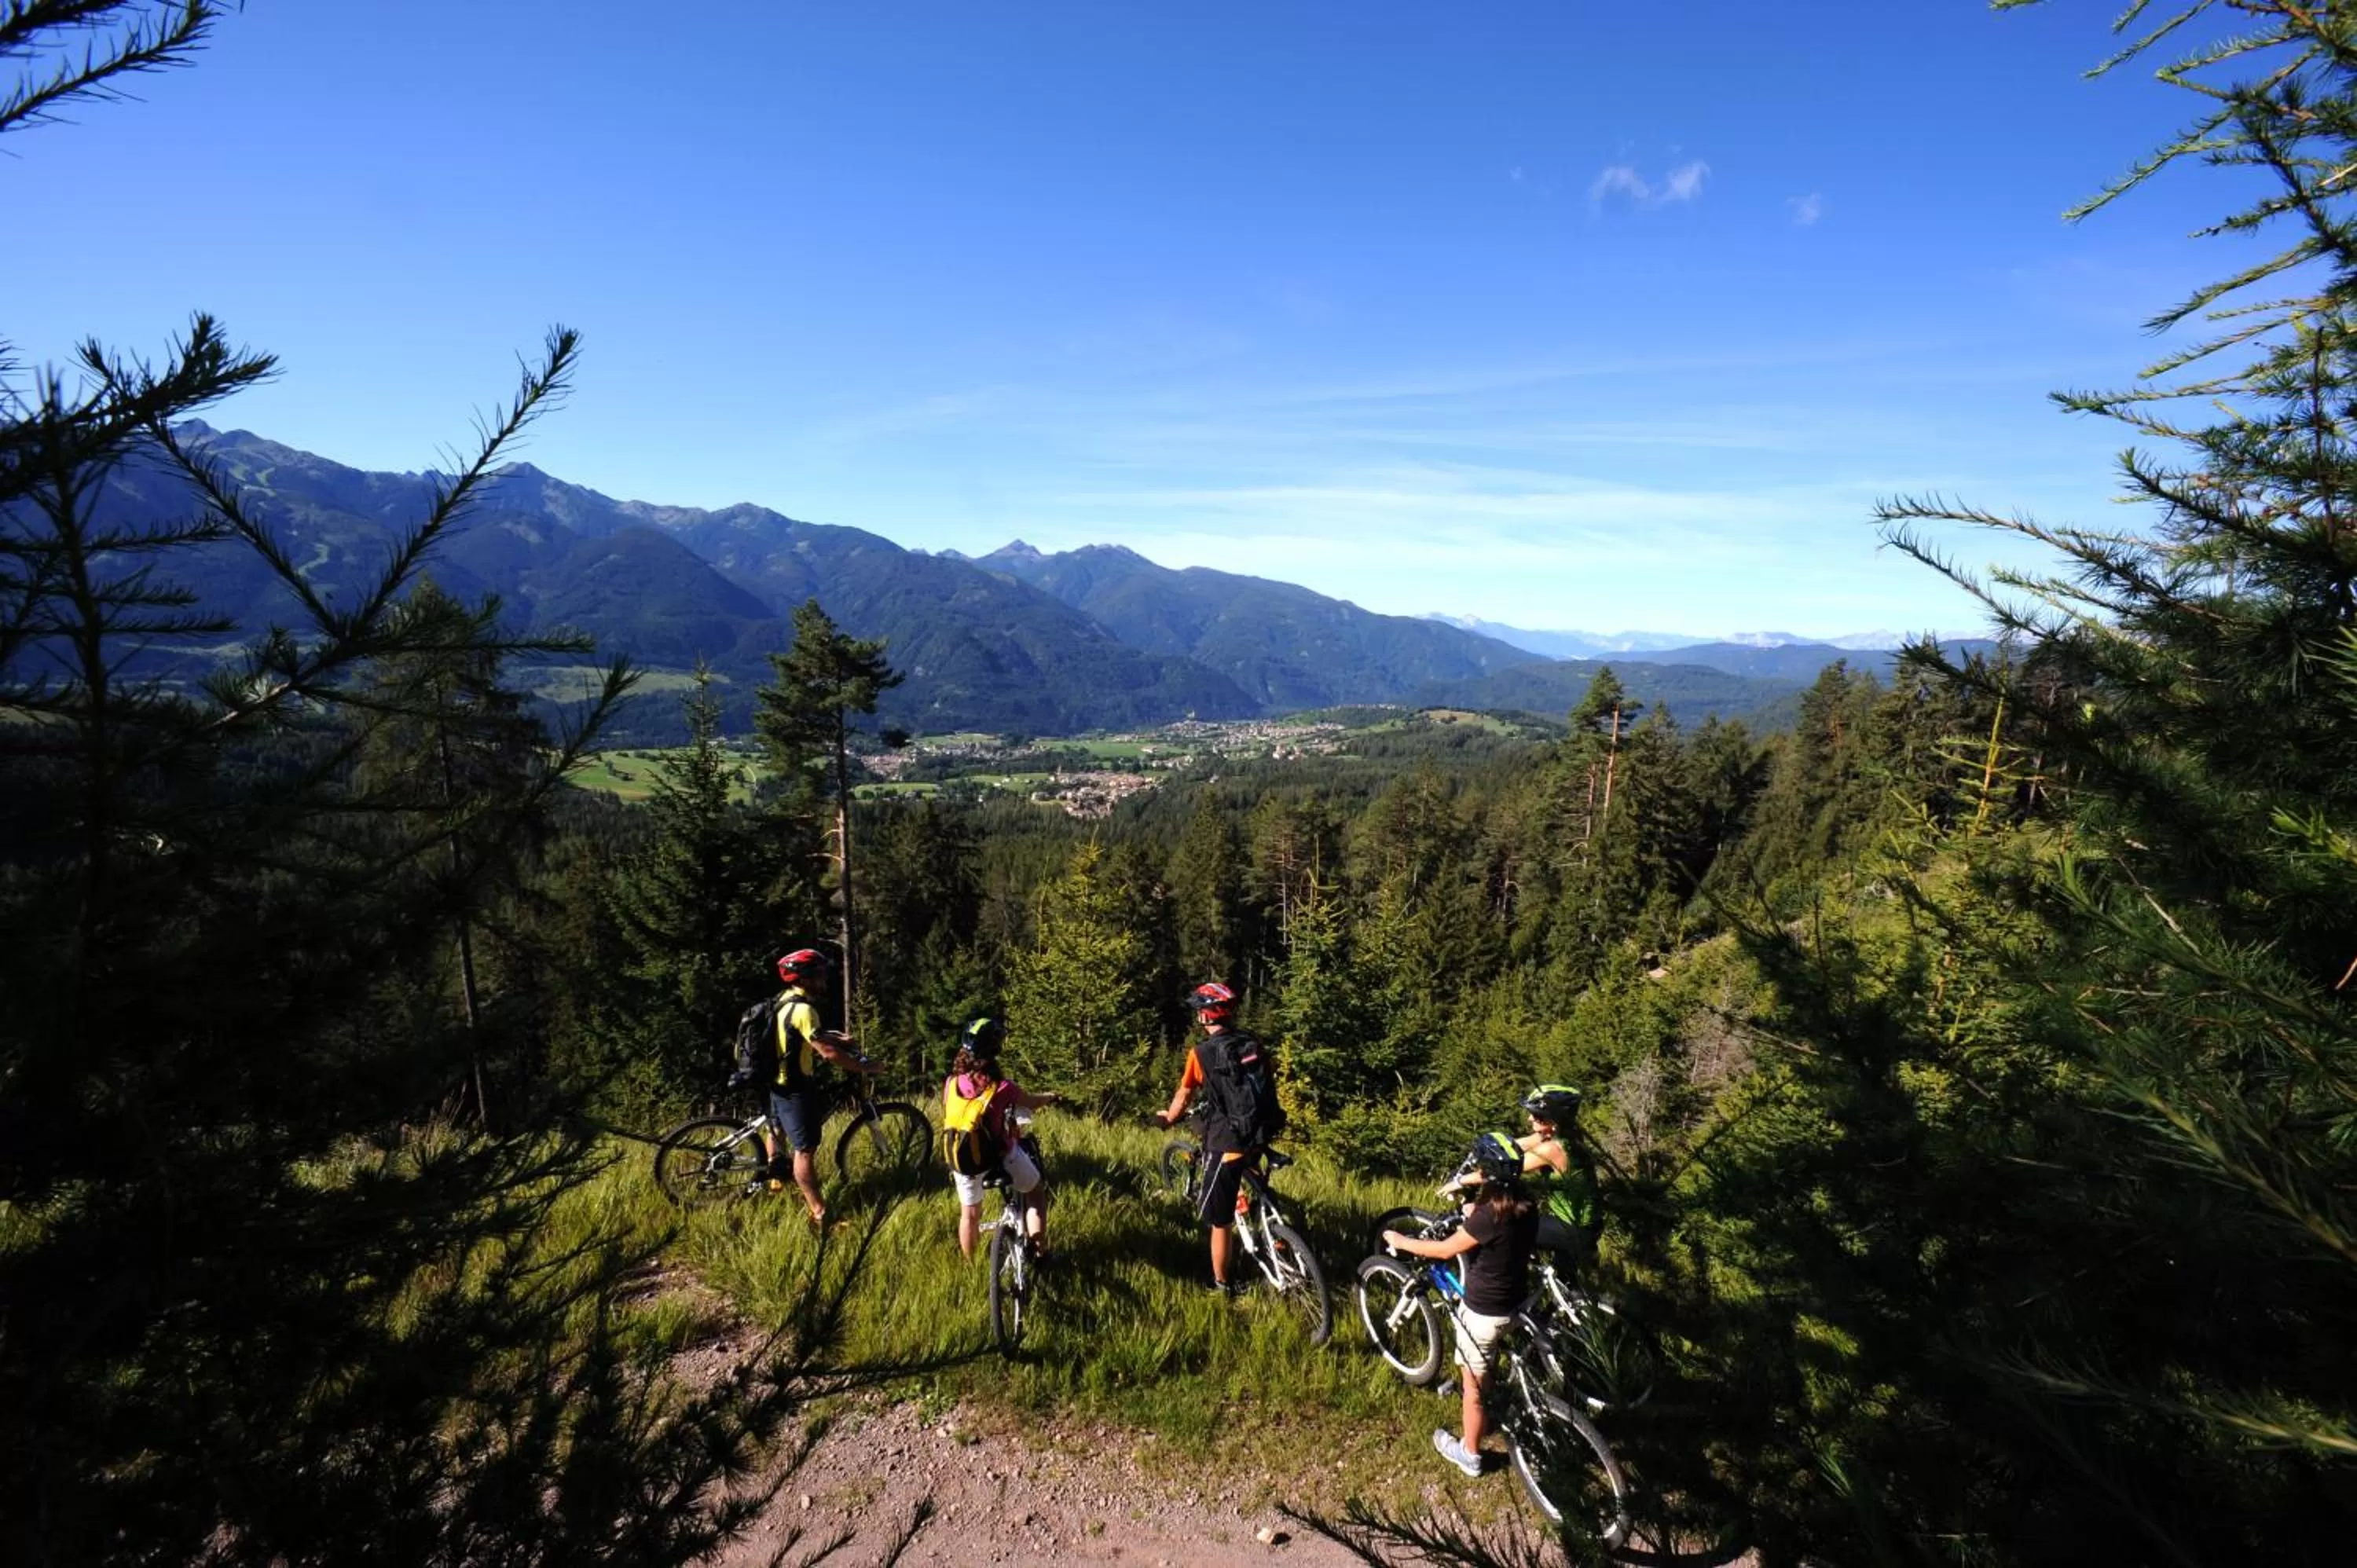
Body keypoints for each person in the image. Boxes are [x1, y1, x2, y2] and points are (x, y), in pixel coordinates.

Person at [1384, 1131, 1540, 1480]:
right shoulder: (1526, 1205)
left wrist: (1402, 1241)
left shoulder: (1489, 1216)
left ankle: (1470, 1454)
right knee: (1487, 1366)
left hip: (1485, 1312)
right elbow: (1494, 1226)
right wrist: (1473, 1212)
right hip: (1517, 1302)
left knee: (1473, 1390)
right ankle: (1490, 1403)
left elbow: (1444, 1250)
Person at [1153, 980, 1284, 1296]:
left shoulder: (1201, 1054)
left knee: (1220, 1221)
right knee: (1255, 1180)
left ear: (1206, 1016)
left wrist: (1167, 1119)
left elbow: (1184, 1095)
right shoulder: (1251, 1042)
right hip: (1261, 1129)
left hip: (1228, 1140)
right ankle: (1279, 1238)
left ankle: (1221, 1284)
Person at [764, 947, 880, 1226]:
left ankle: (776, 1179)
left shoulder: (784, 1000)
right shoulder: (805, 1010)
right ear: (804, 978)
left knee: (776, 1128)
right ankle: (820, 1214)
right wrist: (864, 1067)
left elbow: (803, 1034)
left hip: (774, 1080)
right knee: (805, 1149)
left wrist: (836, 1038)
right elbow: (827, 1053)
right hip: (794, 1087)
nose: (824, 980)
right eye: (818, 975)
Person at [942, 1016, 1061, 1258]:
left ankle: (971, 1265)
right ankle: (1040, 1252)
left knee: (969, 1215)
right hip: (997, 1156)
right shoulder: (1003, 1087)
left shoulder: (952, 1083)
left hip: (962, 1158)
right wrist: (1050, 1097)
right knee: (1035, 1191)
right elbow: (1031, 1103)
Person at [1517, 1083, 1602, 1271]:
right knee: (1566, 1283)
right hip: (1585, 1225)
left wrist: (1459, 1182)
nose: (1530, 1119)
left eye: (1536, 1115)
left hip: (1572, 1228)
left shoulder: (1553, 1149)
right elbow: (1520, 1144)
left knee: (1504, 1226)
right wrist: (1489, 1145)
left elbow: (1505, 1167)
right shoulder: (1566, 1136)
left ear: (1553, 1120)